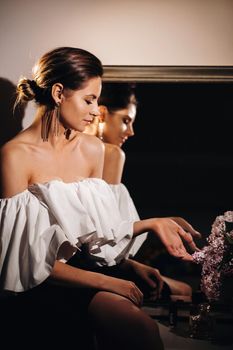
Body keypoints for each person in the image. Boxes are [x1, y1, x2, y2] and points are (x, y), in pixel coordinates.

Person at [0, 47, 200, 350]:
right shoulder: (14, 157)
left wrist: (131, 261)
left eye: (97, 100)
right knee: (137, 328)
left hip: (90, 274)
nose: (96, 111)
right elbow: (27, 262)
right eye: (89, 100)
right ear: (58, 93)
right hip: (43, 286)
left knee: (149, 325)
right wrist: (109, 282)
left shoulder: (93, 150)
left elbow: (96, 237)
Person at [85, 82, 199, 300]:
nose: (131, 131)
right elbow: (107, 236)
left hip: (98, 263)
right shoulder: (112, 154)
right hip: (98, 268)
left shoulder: (72, 150)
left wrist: (132, 264)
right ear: (102, 113)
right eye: (125, 121)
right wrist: (154, 224)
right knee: (185, 292)